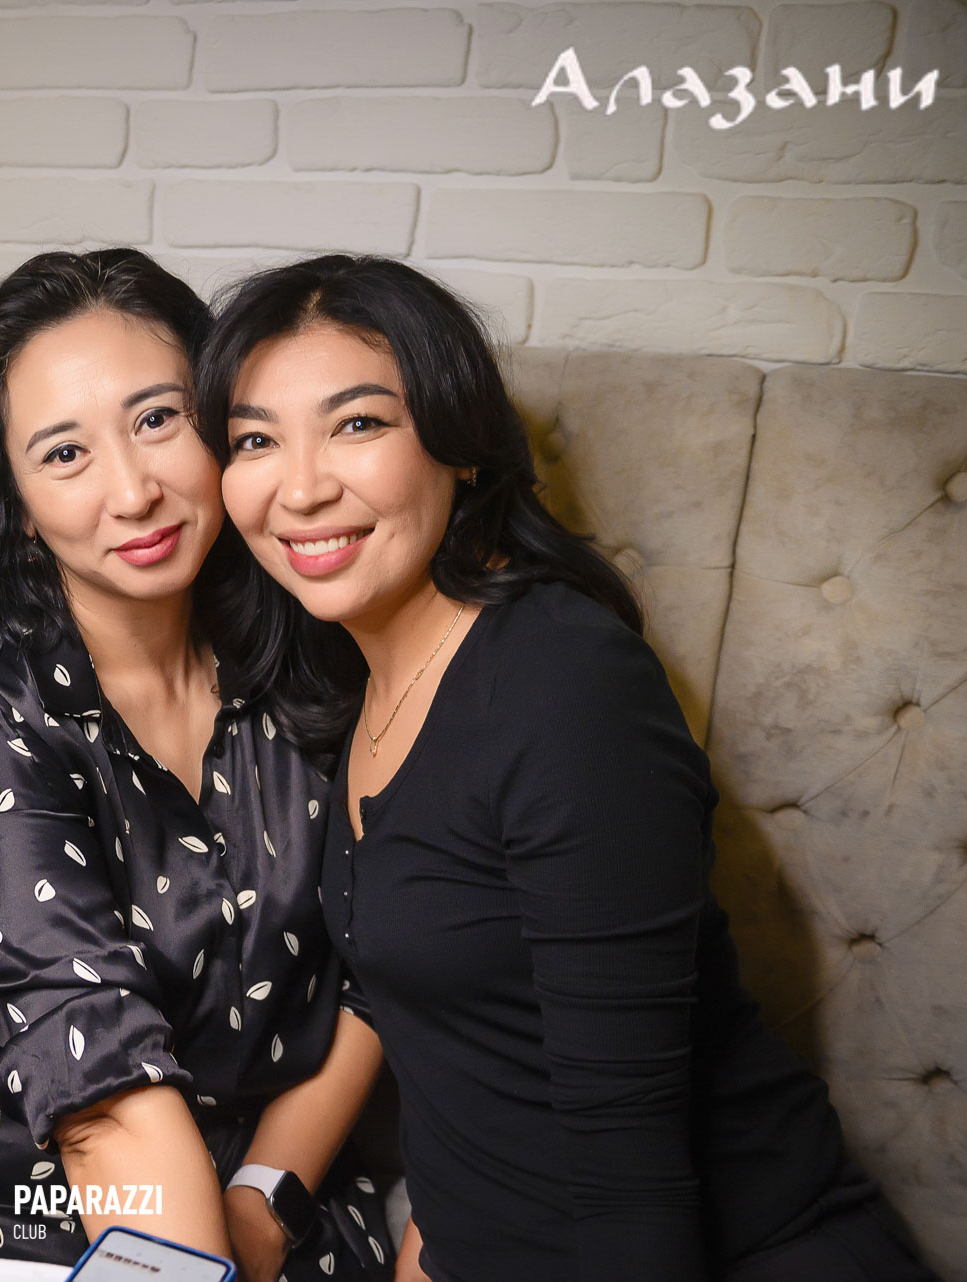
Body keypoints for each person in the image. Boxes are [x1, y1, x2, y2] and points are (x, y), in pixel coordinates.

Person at [200, 253, 940, 1282]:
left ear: (461, 448)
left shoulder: (568, 688)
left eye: (357, 424)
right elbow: (465, 1056)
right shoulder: (360, 676)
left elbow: (628, 1174)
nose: (302, 486)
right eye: (255, 440)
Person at [0, 249, 396, 1282]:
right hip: (11, 1187)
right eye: (64, 453)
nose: (133, 492)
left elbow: (382, 972)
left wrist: (262, 1205)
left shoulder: (320, 644)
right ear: (15, 500)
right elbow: (100, 1098)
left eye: (158, 419)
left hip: (271, 1178)